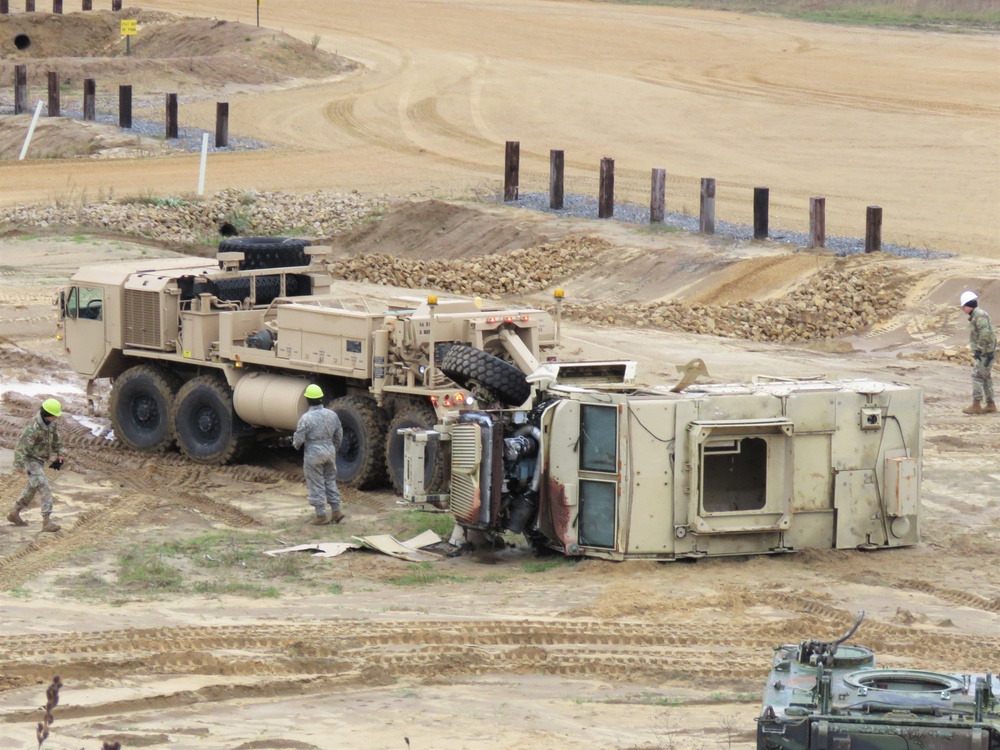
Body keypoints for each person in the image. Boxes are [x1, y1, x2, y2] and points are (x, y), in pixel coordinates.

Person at [292, 384, 345, 525]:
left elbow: (299, 439)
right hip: (329, 450)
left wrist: (296, 446)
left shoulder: (306, 418)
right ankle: (336, 511)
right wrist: (334, 448)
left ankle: (321, 515)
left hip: (314, 453)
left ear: (307, 400)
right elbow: (339, 434)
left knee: (316, 483)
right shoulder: (332, 415)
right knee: (330, 481)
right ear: (321, 398)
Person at [10, 398, 65, 532]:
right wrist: (19, 465)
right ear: (47, 414)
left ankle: (14, 514)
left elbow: (56, 439)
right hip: (31, 461)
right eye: (54, 415)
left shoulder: (51, 425)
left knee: (32, 488)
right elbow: (21, 448)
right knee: (43, 486)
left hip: (40, 461)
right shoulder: (32, 429)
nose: (56, 418)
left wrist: (59, 452)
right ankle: (46, 521)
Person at [960, 290, 997, 415]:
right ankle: (990, 404)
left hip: (986, 352)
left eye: (963, 306)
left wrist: (979, 350)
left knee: (977, 375)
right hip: (988, 351)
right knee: (985, 377)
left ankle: (976, 404)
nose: (962, 309)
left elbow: (984, 333)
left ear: (967, 305)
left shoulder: (979, 316)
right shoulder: (977, 315)